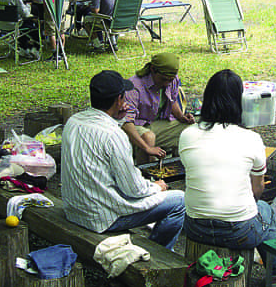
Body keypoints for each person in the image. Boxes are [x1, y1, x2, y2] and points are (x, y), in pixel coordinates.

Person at [179, 69, 276, 287]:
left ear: (208, 99)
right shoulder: (251, 139)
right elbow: (257, 189)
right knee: (265, 209)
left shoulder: (187, 134)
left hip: (194, 226)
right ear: (239, 101)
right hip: (239, 230)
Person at [61, 70, 185, 250]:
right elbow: (133, 188)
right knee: (179, 200)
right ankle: (160, 253)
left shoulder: (73, 122)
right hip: (101, 218)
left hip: (74, 210)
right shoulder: (113, 136)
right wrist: (156, 187)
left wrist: (119, 119)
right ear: (119, 99)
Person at [123, 53, 194, 163]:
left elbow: (173, 100)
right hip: (135, 126)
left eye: (169, 80)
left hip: (155, 125)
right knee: (148, 138)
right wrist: (148, 148)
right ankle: (148, 176)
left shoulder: (172, 80)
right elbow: (126, 123)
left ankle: (179, 167)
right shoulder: (134, 86)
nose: (166, 84)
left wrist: (181, 117)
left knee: (190, 130)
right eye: (163, 79)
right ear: (152, 69)